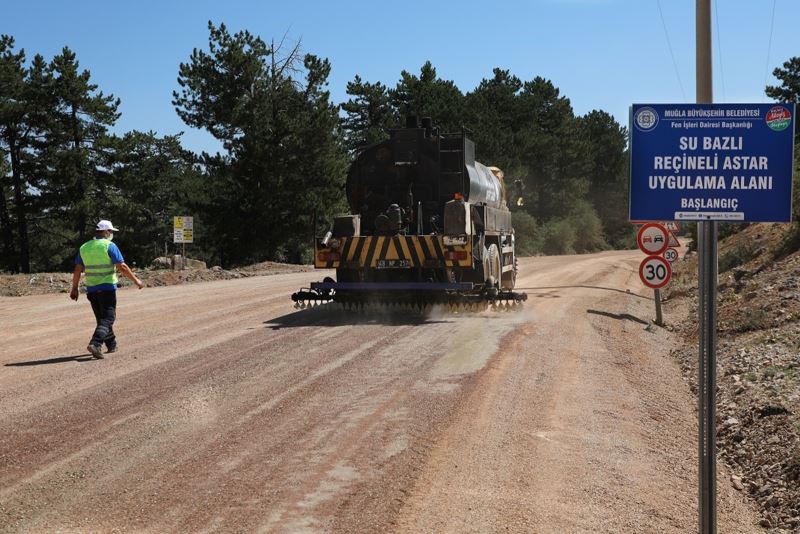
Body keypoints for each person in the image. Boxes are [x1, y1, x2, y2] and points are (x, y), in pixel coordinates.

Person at [69, 220, 144, 359]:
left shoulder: (84, 247)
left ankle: (111, 344)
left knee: (102, 319)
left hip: (91, 289)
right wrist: (136, 281)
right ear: (105, 232)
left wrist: (74, 288)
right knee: (109, 318)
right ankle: (95, 343)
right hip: (107, 288)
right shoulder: (109, 245)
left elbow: (78, 269)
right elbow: (122, 267)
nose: (111, 234)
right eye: (110, 231)